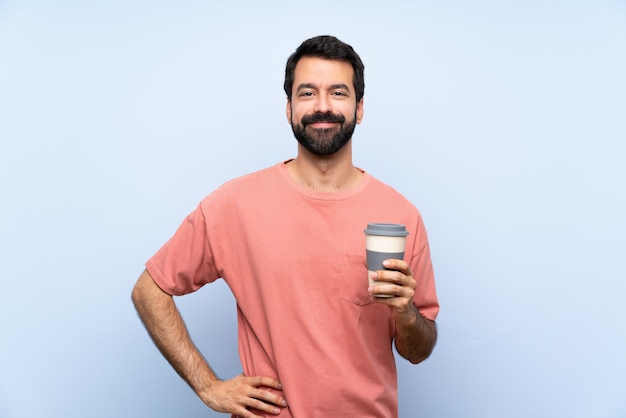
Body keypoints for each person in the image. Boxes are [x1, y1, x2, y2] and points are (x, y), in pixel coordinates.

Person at [131, 35, 439, 418]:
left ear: (359, 108)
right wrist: (209, 387)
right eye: (307, 93)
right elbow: (149, 290)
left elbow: (418, 351)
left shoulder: (401, 215)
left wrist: (406, 312)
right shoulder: (235, 205)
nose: (322, 106)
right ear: (289, 107)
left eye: (338, 93)